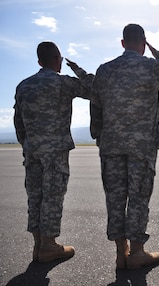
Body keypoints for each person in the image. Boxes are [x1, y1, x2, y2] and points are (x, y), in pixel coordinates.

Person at [90, 23, 159, 269]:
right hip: (141, 146)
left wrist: (100, 137)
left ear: (122, 43)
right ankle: (136, 253)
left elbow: (96, 106)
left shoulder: (104, 70)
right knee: (138, 197)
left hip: (111, 145)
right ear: (143, 44)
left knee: (114, 198)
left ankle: (119, 251)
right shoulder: (152, 67)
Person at [14, 41, 94, 263]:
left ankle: (38, 245)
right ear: (58, 60)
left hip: (32, 150)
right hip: (55, 150)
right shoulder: (63, 83)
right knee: (52, 195)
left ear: (39, 62)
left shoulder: (24, 86)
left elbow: (18, 122)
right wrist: (76, 68)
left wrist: (28, 144)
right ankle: (49, 246)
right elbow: (93, 88)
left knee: (35, 195)